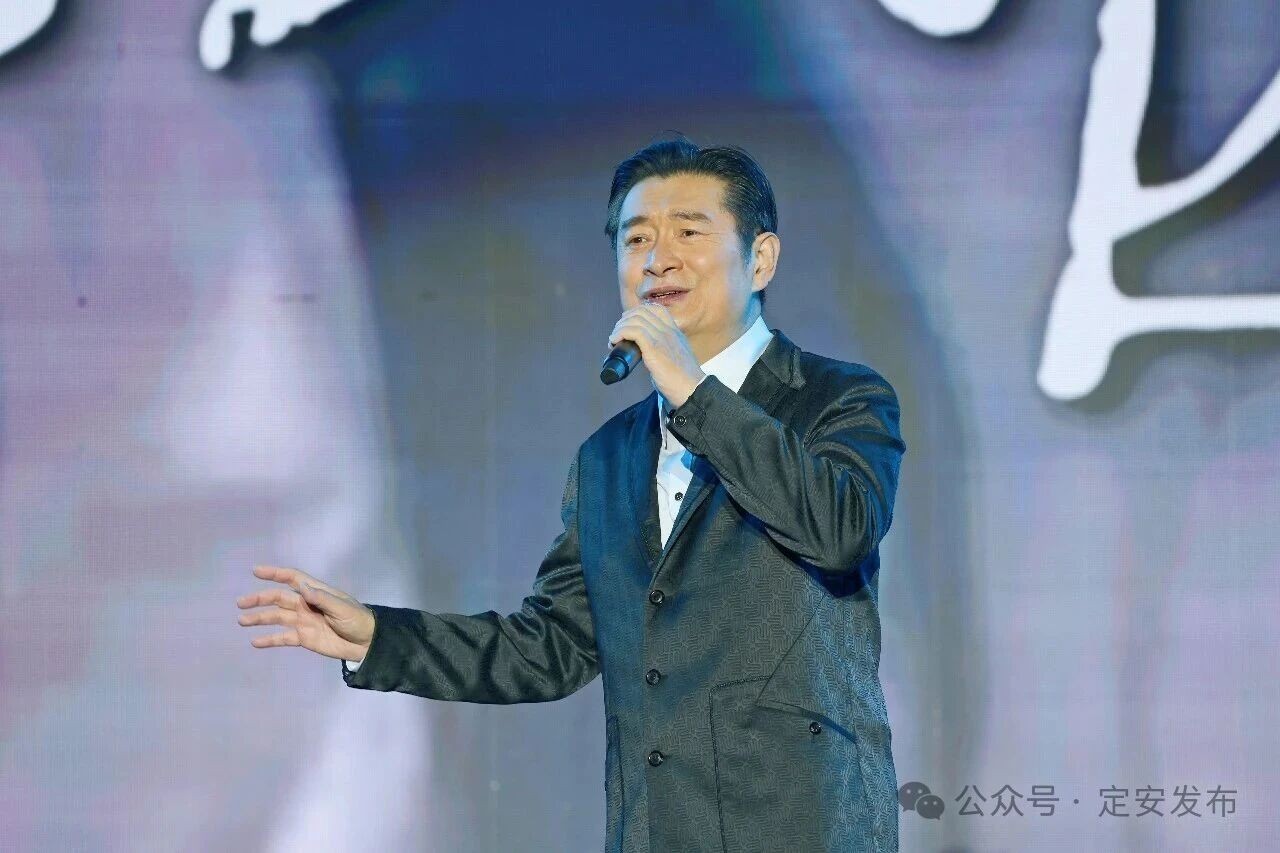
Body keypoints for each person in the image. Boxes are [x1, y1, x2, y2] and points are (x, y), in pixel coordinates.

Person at [236, 136, 906, 853]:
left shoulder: (839, 399)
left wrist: (693, 391)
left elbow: (840, 528)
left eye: (688, 232)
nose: (658, 259)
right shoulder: (608, 457)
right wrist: (378, 637)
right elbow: (549, 647)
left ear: (761, 258)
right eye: (636, 239)